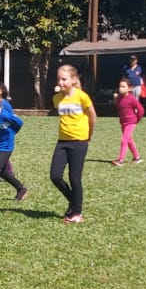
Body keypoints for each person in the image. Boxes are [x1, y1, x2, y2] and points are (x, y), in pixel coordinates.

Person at [49, 63, 96, 223]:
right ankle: (74, 202)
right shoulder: (57, 99)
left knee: (74, 178)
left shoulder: (82, 96)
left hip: (79, 141)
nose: (60, 82)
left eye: (64, 79)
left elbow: (92, 117)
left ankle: (76, 213)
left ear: (73, 79)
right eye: (58, 79)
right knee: (55, 175)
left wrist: (88, 136)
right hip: (62, 141)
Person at [114, 78, 145, 166]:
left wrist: (137, 119)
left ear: (129, 88)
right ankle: (137, 157)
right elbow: (119, 108)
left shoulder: (132, 98)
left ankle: (120, 160)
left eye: (123, 87)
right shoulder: (119, 98)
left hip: (131, 122)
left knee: (124, 140)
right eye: (120, 86)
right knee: (129, 140)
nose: (121, 88)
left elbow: (141, 109)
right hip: (123, 122)